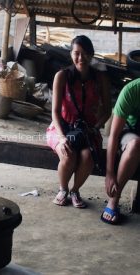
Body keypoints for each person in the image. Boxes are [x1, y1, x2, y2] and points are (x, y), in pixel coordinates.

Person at [46, 35, 111, 208]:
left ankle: (75, 190)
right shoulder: (62, 76)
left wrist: (95, 128)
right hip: (61, 127)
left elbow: (107, 111)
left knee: (87, 156)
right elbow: (55, 112)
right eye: (76, 53)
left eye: (84, 53)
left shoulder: (100, 78)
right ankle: (63, 189)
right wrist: (62, 137)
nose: (80, 58)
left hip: (88, 130)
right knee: (68, 154)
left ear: (91, 55)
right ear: (71, 54)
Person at [101, 79, 140, 225]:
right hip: (128, 130)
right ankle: (113, 200)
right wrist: (109, 173)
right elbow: (114, 135)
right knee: (136, 145)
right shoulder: (132, 90)